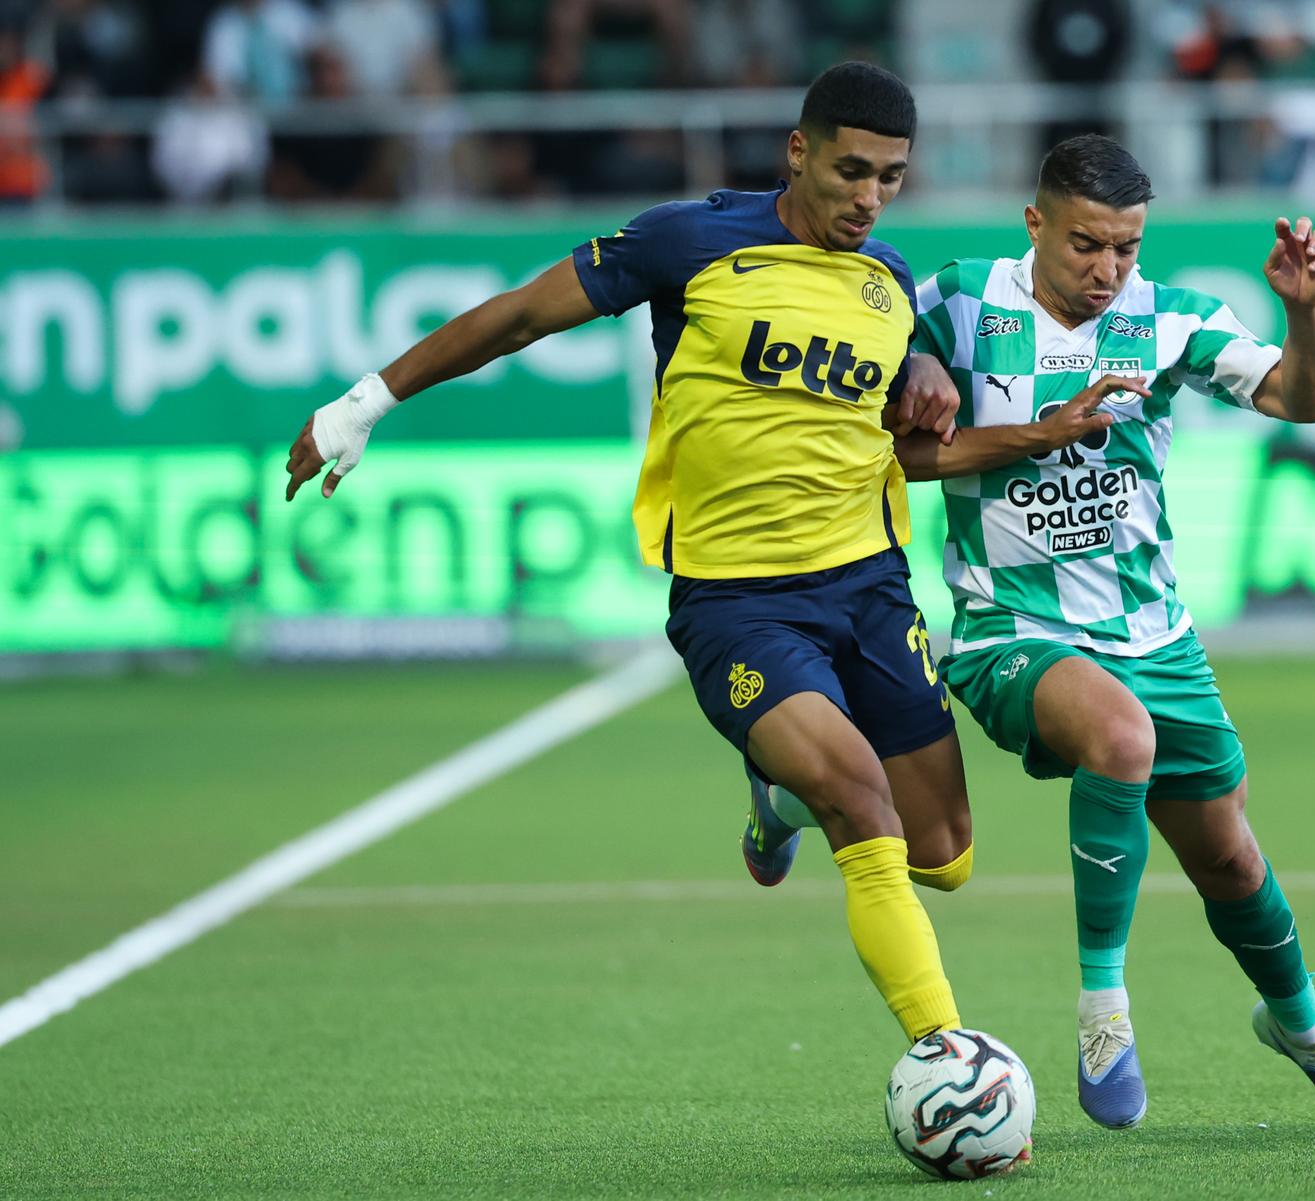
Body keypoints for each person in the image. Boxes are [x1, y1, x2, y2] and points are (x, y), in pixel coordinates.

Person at [282, 63, 1096, 1047]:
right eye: (851, 171)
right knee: (859, 798)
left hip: (871, 587)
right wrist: (365, 403)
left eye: (890, 177)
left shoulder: (887, 277)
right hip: (738, 603)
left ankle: (777, 799)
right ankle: (950, 1056)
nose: (869, 197)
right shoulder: (692, 241)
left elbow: (899, 429)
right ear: (798, 152)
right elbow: (522, 314)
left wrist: (927, 366)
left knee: (945, 854)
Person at [903, 134, 1315, 1134]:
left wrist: (1305, 313)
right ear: (1035, 222)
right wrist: (987, 401)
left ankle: (1301, 1023)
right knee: (1121, 737)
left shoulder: (1172, 319)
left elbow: (1302, 402)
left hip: (1154, 634)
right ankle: (1104, 1012)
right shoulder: (955, 301)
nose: (1108, 270)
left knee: (1232, 863)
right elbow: (904, 451)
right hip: (1009, 624)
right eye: (1085, 244)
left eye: (1126, 248)